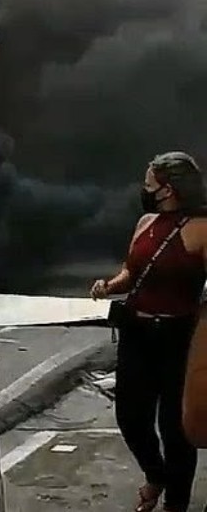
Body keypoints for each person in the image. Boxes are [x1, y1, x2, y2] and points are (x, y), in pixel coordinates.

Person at [90, 151, 207, 512]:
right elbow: (132, 269)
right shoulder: (145, 222)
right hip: (137, 331)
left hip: (179, 336)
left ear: (168, 189)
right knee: (130, 415)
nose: (144, 189)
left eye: (149, 184)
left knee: (175, 429)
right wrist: (111, 286)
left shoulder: (202, 228)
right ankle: (155, 474)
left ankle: (176, 503)